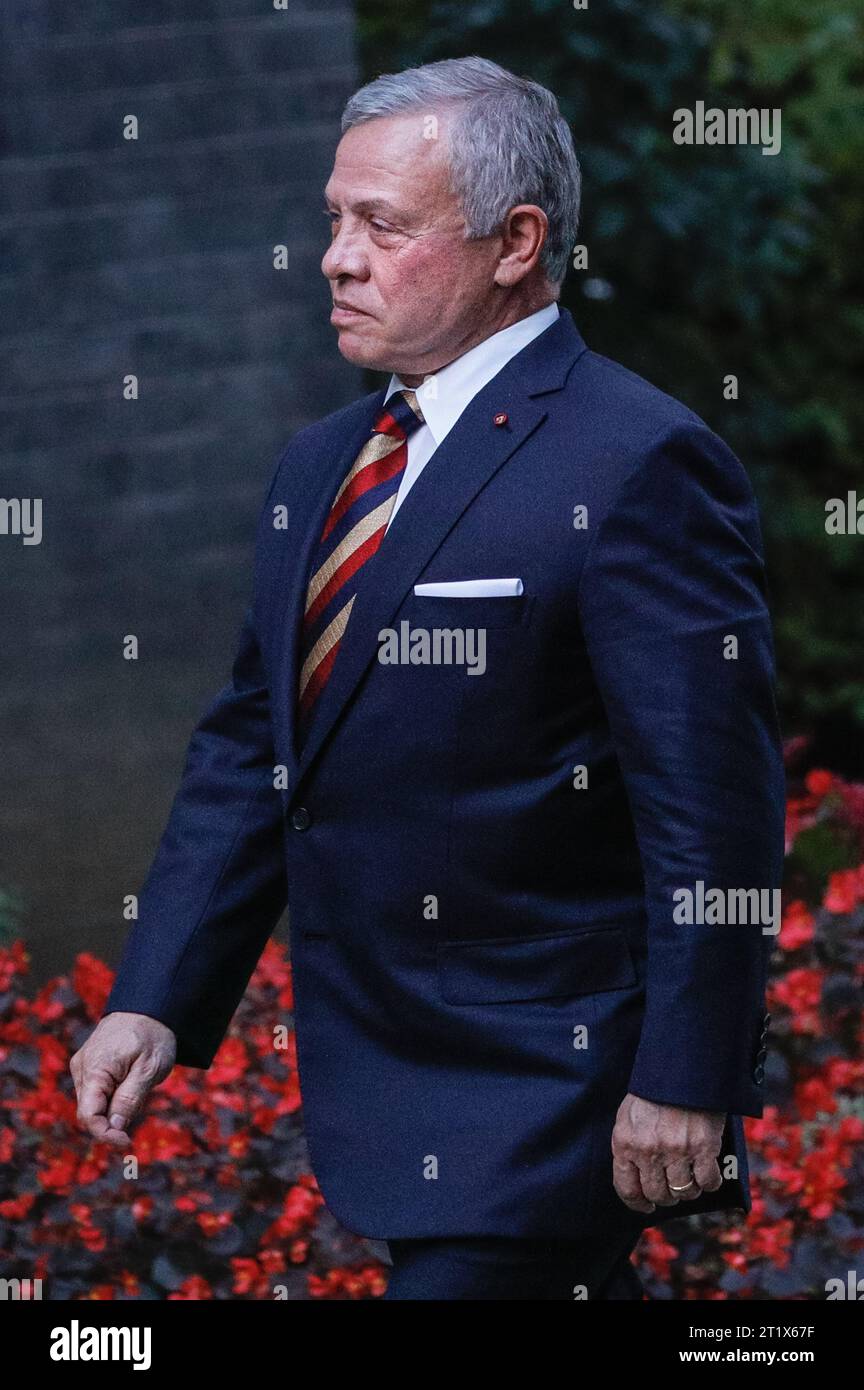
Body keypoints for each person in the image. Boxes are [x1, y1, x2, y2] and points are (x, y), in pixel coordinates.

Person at [71, 57, 785, 1300]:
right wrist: (158, 999)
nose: (336, 259)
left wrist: (689, 1073)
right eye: (334, 221)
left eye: (381, 227)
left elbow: (713, 810)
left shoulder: (641, 462)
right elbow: (258, 744)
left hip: (552, 1089)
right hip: (382, 1084)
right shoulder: (320, 466)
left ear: (517, 242)